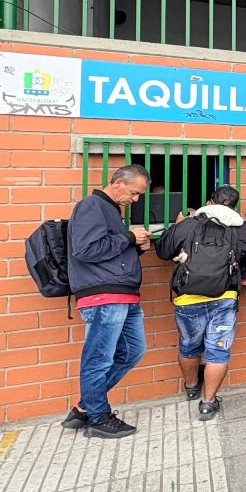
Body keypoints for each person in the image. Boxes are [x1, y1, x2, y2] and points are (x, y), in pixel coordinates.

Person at [156, 186, 246, 421]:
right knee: (217, 351)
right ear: (234, 206)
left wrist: (177, 225)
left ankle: (192, 386)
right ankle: (208, 402)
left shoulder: (190, 224)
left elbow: (162, 251)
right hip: (224, 297)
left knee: (189, 345)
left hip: (187, 298)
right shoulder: (239, 227)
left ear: (208, 201)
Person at [62, 165, 151, 439]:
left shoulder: (110, 210)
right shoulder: (91, 206)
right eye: (134, 193)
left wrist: (135, 246)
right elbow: (86, 250)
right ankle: (98, 417)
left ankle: (85, 407)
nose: (135, 200)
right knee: (99, 357)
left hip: (122, 294)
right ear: (117, 182)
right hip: (104, 296)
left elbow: (109, 250)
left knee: (134, 350)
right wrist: (128, 237)